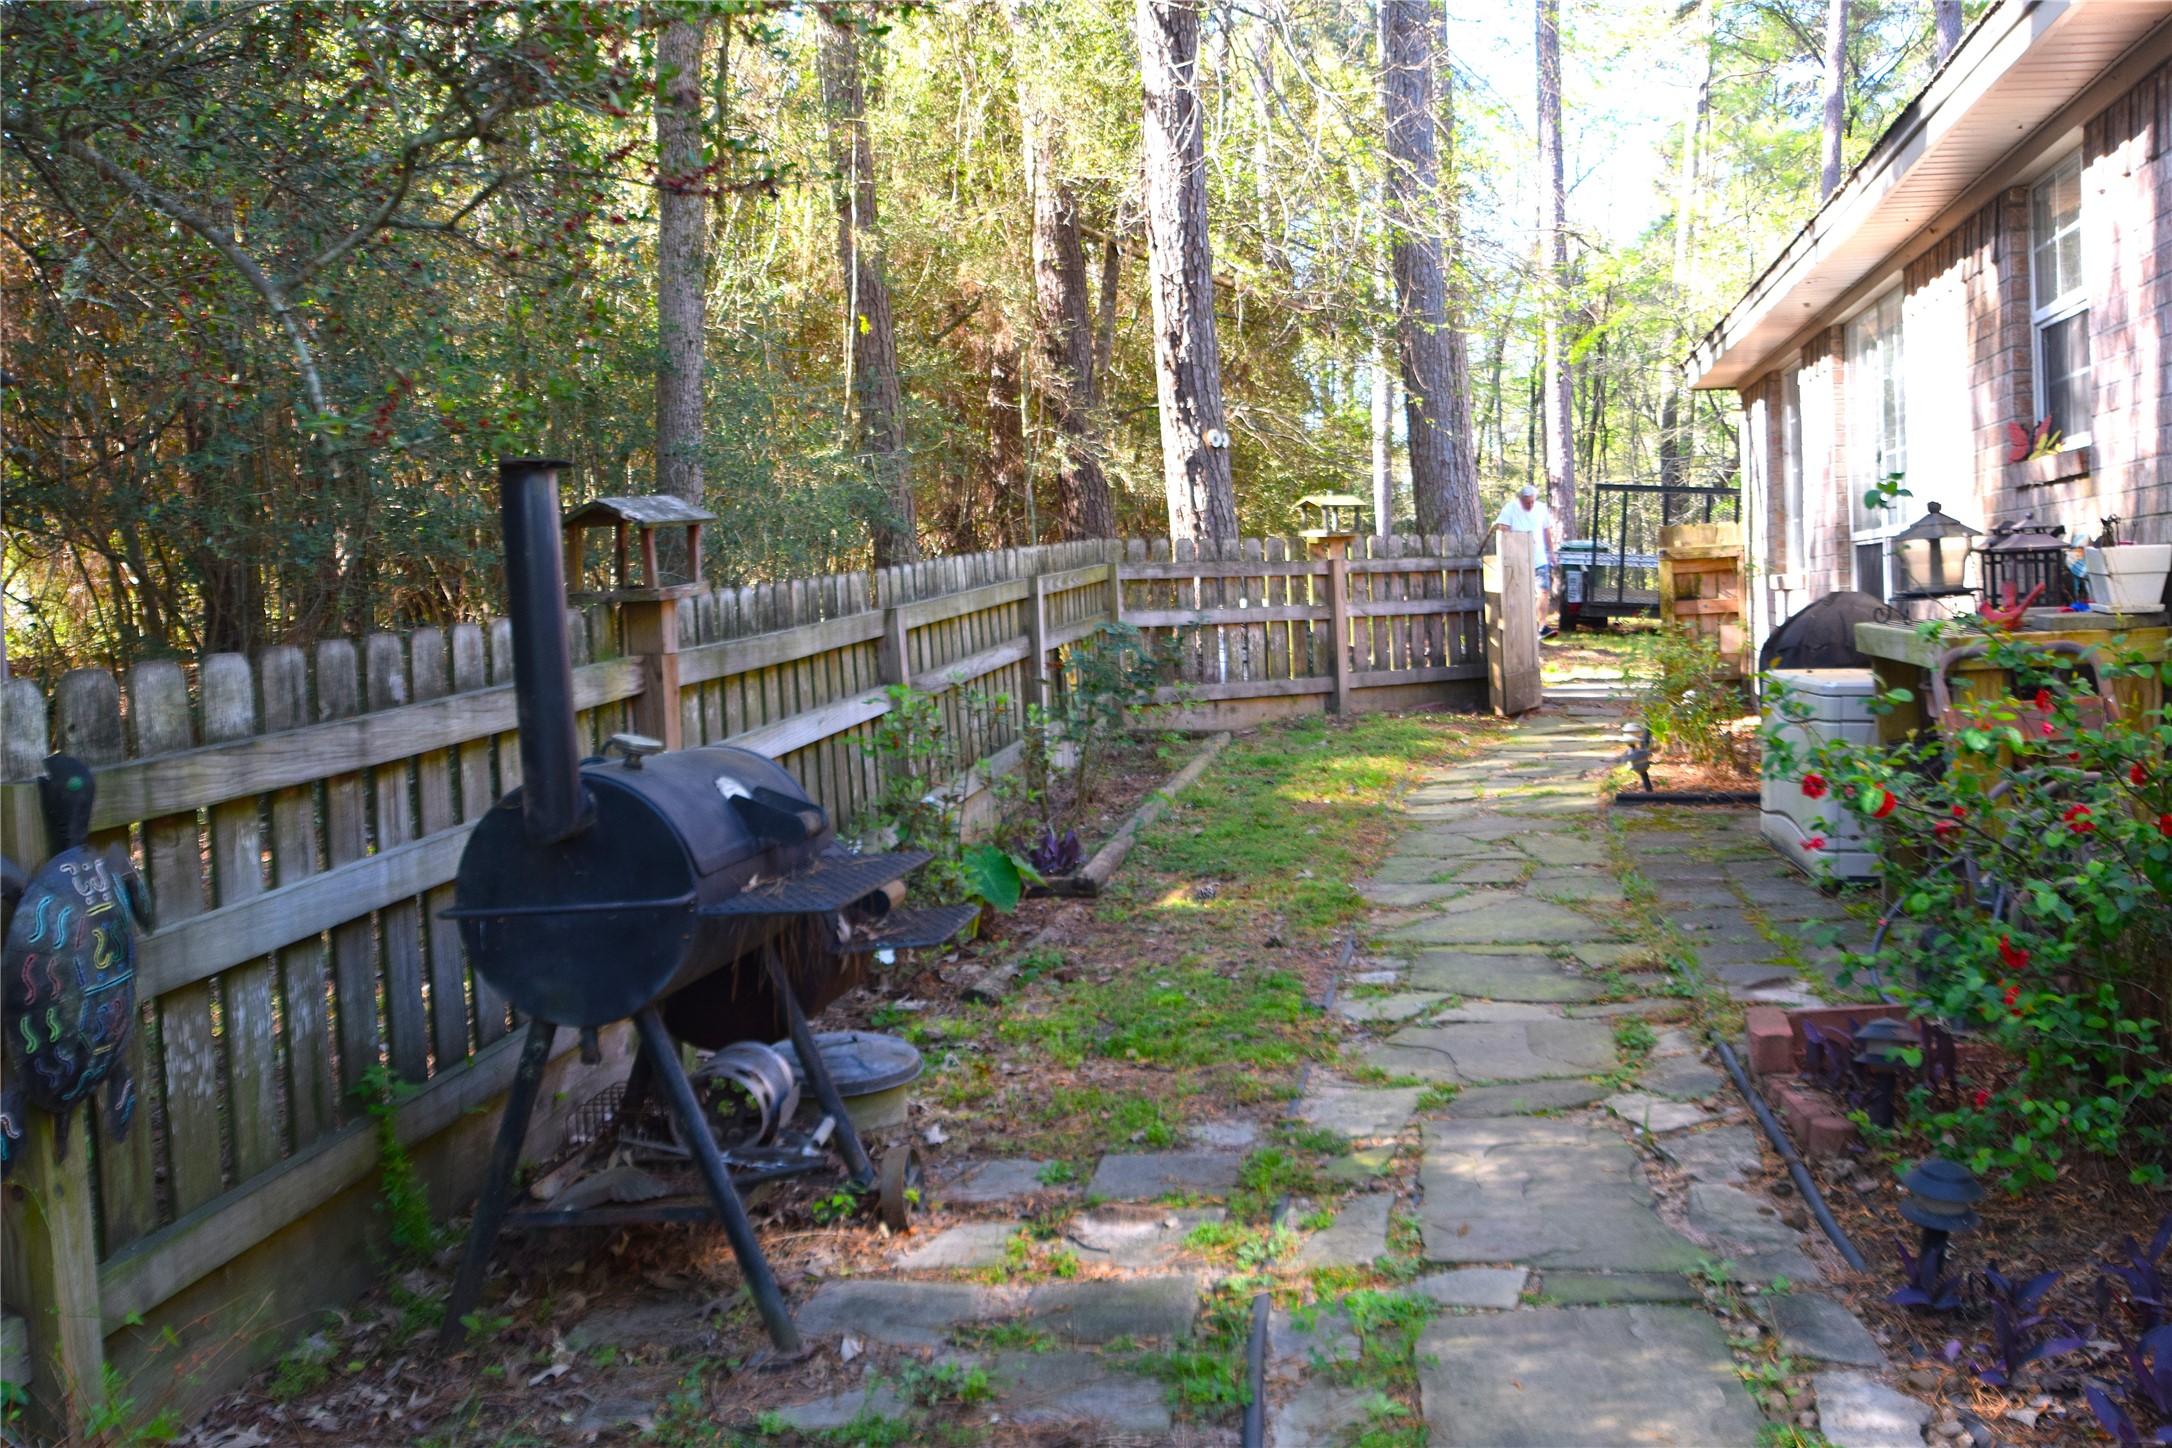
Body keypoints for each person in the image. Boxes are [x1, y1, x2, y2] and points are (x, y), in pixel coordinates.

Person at [1493, 483, 1556, 638]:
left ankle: (1542, 626)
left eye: (1533, 501)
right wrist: (1515, 546)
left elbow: (1546, 531)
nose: (1531, 505)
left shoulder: (1541, 508)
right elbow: (1503, 531)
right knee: (1520, 594)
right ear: (1520, 500)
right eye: (1527, 502)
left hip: (1539, 558)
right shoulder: (1510, 509)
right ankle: (1523, 626)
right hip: (1518, 560)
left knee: (1543, 590)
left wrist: (1551, 552)